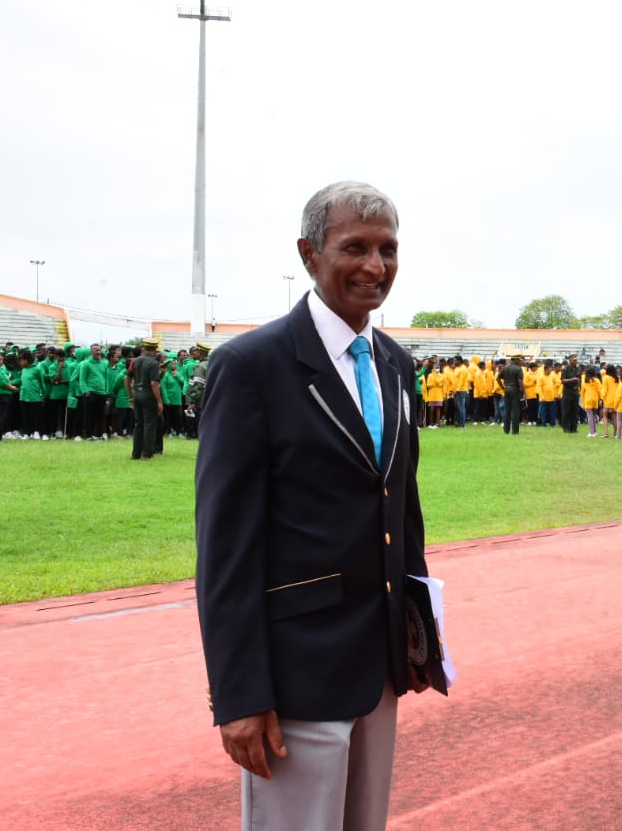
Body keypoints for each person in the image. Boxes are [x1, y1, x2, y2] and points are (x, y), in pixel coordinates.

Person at [195, 181, 430, 830]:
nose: (375, 267)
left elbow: (401, 507)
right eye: (354, 248)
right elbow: (226, 546)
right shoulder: (252, 365)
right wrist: (239, 692)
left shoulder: (394, 364)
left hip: (379, 668)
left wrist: (416, 635)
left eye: (387, 249)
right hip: (295, 675)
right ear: (309, 254)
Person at [130, 338, 164, 460]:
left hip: (137, 393)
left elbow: (127, 379)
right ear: (155, 349)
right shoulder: (153, 363)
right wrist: (159, 401)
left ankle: (136, 454)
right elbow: (154, 383)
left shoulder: (135, 361)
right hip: (148, 395)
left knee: (138, 424)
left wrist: (130, 396)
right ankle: (147, 454)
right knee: (150, 424)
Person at [500, 355, 525, 435]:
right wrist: (523, 391)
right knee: (515, 411)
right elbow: (520, 381)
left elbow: (498, 378)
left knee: (507, 410)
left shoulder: (505, 368)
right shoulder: (518, 368)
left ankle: (506, 430)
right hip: (515, 389)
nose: (521, 361)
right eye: (520, 360)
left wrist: (503, 387)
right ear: (516, 360)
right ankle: (515, 431)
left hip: (507, 389)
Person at [560, 354, 581, 433]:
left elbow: (579, 379)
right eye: (574, 360)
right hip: (567, 392)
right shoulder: (566, 369)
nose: (576, 361)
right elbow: (562, 380)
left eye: (576, 360)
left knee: (575, 411)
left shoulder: (578, 369)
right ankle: (566, 428)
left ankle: (574, 429)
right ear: (570, 361)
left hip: (575, 392)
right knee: (566, 411)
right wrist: (572, 379)